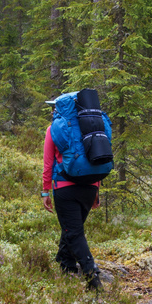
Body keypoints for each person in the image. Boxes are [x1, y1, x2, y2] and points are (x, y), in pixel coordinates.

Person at [42, 108, 102, 291]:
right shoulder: (90, 128)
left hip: (65, 187)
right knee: (72, 228)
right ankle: (65, 265)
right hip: (90, 187)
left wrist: (45, 191)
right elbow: (97, 159)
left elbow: (48, 162)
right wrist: (96, 190)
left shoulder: (54, 128)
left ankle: (92, 277)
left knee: (74, 232)